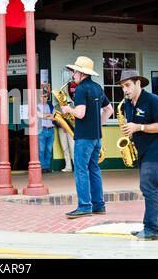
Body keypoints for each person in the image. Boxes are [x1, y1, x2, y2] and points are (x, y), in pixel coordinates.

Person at [118, 70, 158, 240]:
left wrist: (138, 127)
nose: (125, 90)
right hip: (143, 151)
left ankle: (150, 229)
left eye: (128, 85)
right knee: (154, 190)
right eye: (122, 87)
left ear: (138, 83)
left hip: (157, 151)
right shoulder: (127, 104)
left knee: (148, 188)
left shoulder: (153, 100)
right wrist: (130, 132)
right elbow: (133, 126)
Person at [60, 56, 113, 219]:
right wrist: (98, 125)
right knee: (94, 170)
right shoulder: (97, 88)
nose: (73, 75)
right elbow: (109, 110)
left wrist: (68, 110)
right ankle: (99, 205)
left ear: (81, 73)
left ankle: (84, 206)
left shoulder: (81, 89)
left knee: (81, 171)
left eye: (74, 71)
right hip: (97, 137)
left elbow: (80, 113)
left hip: (84, 138)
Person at [37, 90, 55, 173]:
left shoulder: (51, 106)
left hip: (51, 129)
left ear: (47, 97)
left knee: (49, 149)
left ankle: (47, 166)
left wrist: (44, 116)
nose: (44, 98)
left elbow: (53, 117)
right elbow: (38, 115)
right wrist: (47, 115)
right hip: (42, 130)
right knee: (41, 150)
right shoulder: (37, 106)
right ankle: (42, 167)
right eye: (42, 96)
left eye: (45, 96)